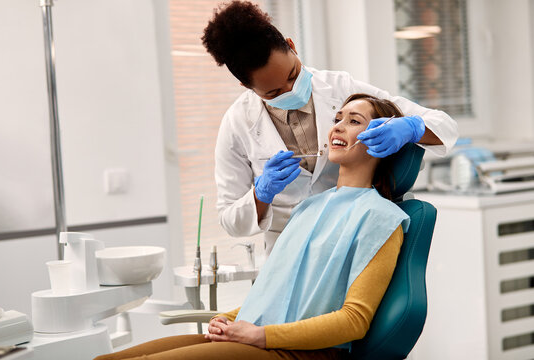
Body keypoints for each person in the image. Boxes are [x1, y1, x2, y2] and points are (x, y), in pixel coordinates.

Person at [94, 94, 411, 360]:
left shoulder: (380, 218)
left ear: (382, 141)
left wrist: (261, 335)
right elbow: (277, 294)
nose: (337, 127)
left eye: (354, 121)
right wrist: (228, 320)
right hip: (260, 337)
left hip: (300, 352)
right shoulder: (311, 207)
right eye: (337, 118)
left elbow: (354, 321)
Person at [203, 1, 457, 254]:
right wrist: (261, 193)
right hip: (288, 252)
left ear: (292, 46)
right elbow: (229, 218)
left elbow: (444, 125)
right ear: (247, 87)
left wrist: (410, 127)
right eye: (274, 92)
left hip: (351, 236)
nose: (291, 90)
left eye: (292, 75)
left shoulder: (341, 88)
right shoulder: (237, 123)